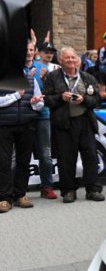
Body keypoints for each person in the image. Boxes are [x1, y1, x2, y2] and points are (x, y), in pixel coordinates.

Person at [42, 47, 104, 203]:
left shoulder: (88, 77)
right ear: (60, 60)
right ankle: (68, 190)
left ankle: (93, 190)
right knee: (66, 159)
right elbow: (46, 100)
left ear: (78, 60)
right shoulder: (52, 77)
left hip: (85, 121)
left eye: (73, 57)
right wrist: (61, 97)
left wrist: (84, 100)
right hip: (64, 123)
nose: (71, 60)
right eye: (67, 58)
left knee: (90, 157)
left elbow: (97, 100)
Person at [0, 49, 45, 212]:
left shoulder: (30, 78)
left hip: (26, 124)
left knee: (24, 161)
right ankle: (5, 198)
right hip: (4, 125)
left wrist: (35, 103)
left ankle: (20, 194)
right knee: (3, 162)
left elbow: (39, 104)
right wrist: (16, 96)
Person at [26, 42, 56, 199]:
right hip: (23, 116)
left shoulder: (43, 68)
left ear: (35, 52)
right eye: (26, 50)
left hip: (42, 115)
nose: (28, 52)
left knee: (45, 153)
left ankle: (47, 187)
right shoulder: (12, 68)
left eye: (31, 50)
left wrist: (45, 79)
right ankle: (17, 190)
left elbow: (51, 93)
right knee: (20, 155)